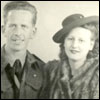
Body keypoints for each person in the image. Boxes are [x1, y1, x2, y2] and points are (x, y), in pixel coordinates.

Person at [44, 14, 99, 99]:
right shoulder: (53, 72)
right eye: (70, 39)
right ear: (64, 43)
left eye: (81, 40)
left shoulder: (97, 74)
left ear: (91, 45)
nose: (74, 45)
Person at [1, 1, 46, 99]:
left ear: (33, 32)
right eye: (13, 26)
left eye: (24, 26)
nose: (18, 32)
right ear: (3, 30)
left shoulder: (43, 70)